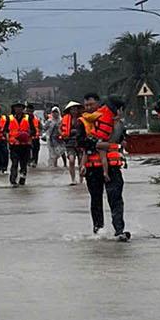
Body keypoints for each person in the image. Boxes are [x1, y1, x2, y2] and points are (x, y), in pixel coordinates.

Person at [81, 92, 129, 240]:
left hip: (112, 166)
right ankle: (98, 230)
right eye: (86, 105)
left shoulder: (118, 124)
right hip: (93, 167)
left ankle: (119, 231)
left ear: (99, 104)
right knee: (96, 199)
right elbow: (81, 143)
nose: (89, 107)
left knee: (115, 198)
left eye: (92, 104)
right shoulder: (83, 122)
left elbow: (122, 142)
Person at [5, 101, 35, 186]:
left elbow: (34, 131)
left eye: (20, 107)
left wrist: (27, 134)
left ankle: (22, 180)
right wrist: (8, 138)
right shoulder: (9, 118)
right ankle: (13, 181)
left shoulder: (28, 118)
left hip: (25, 145)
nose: (18, 109)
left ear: (23, 108)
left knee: (23, 164)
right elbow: (5, 130)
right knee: (14, 163)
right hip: (14, 145)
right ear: (14, 108)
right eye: (16, 107)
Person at [59, 101, 83, 185]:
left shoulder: (82, 118)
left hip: (80, 142)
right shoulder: (65, 118)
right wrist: (62, 134)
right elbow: (60, 128)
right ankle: (73, 179)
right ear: (69, 110)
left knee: (81, 161)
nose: (74, 111)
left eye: (76, 109)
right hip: (69, 142)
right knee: (71, 160)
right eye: (72, 109)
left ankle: (81, 180)